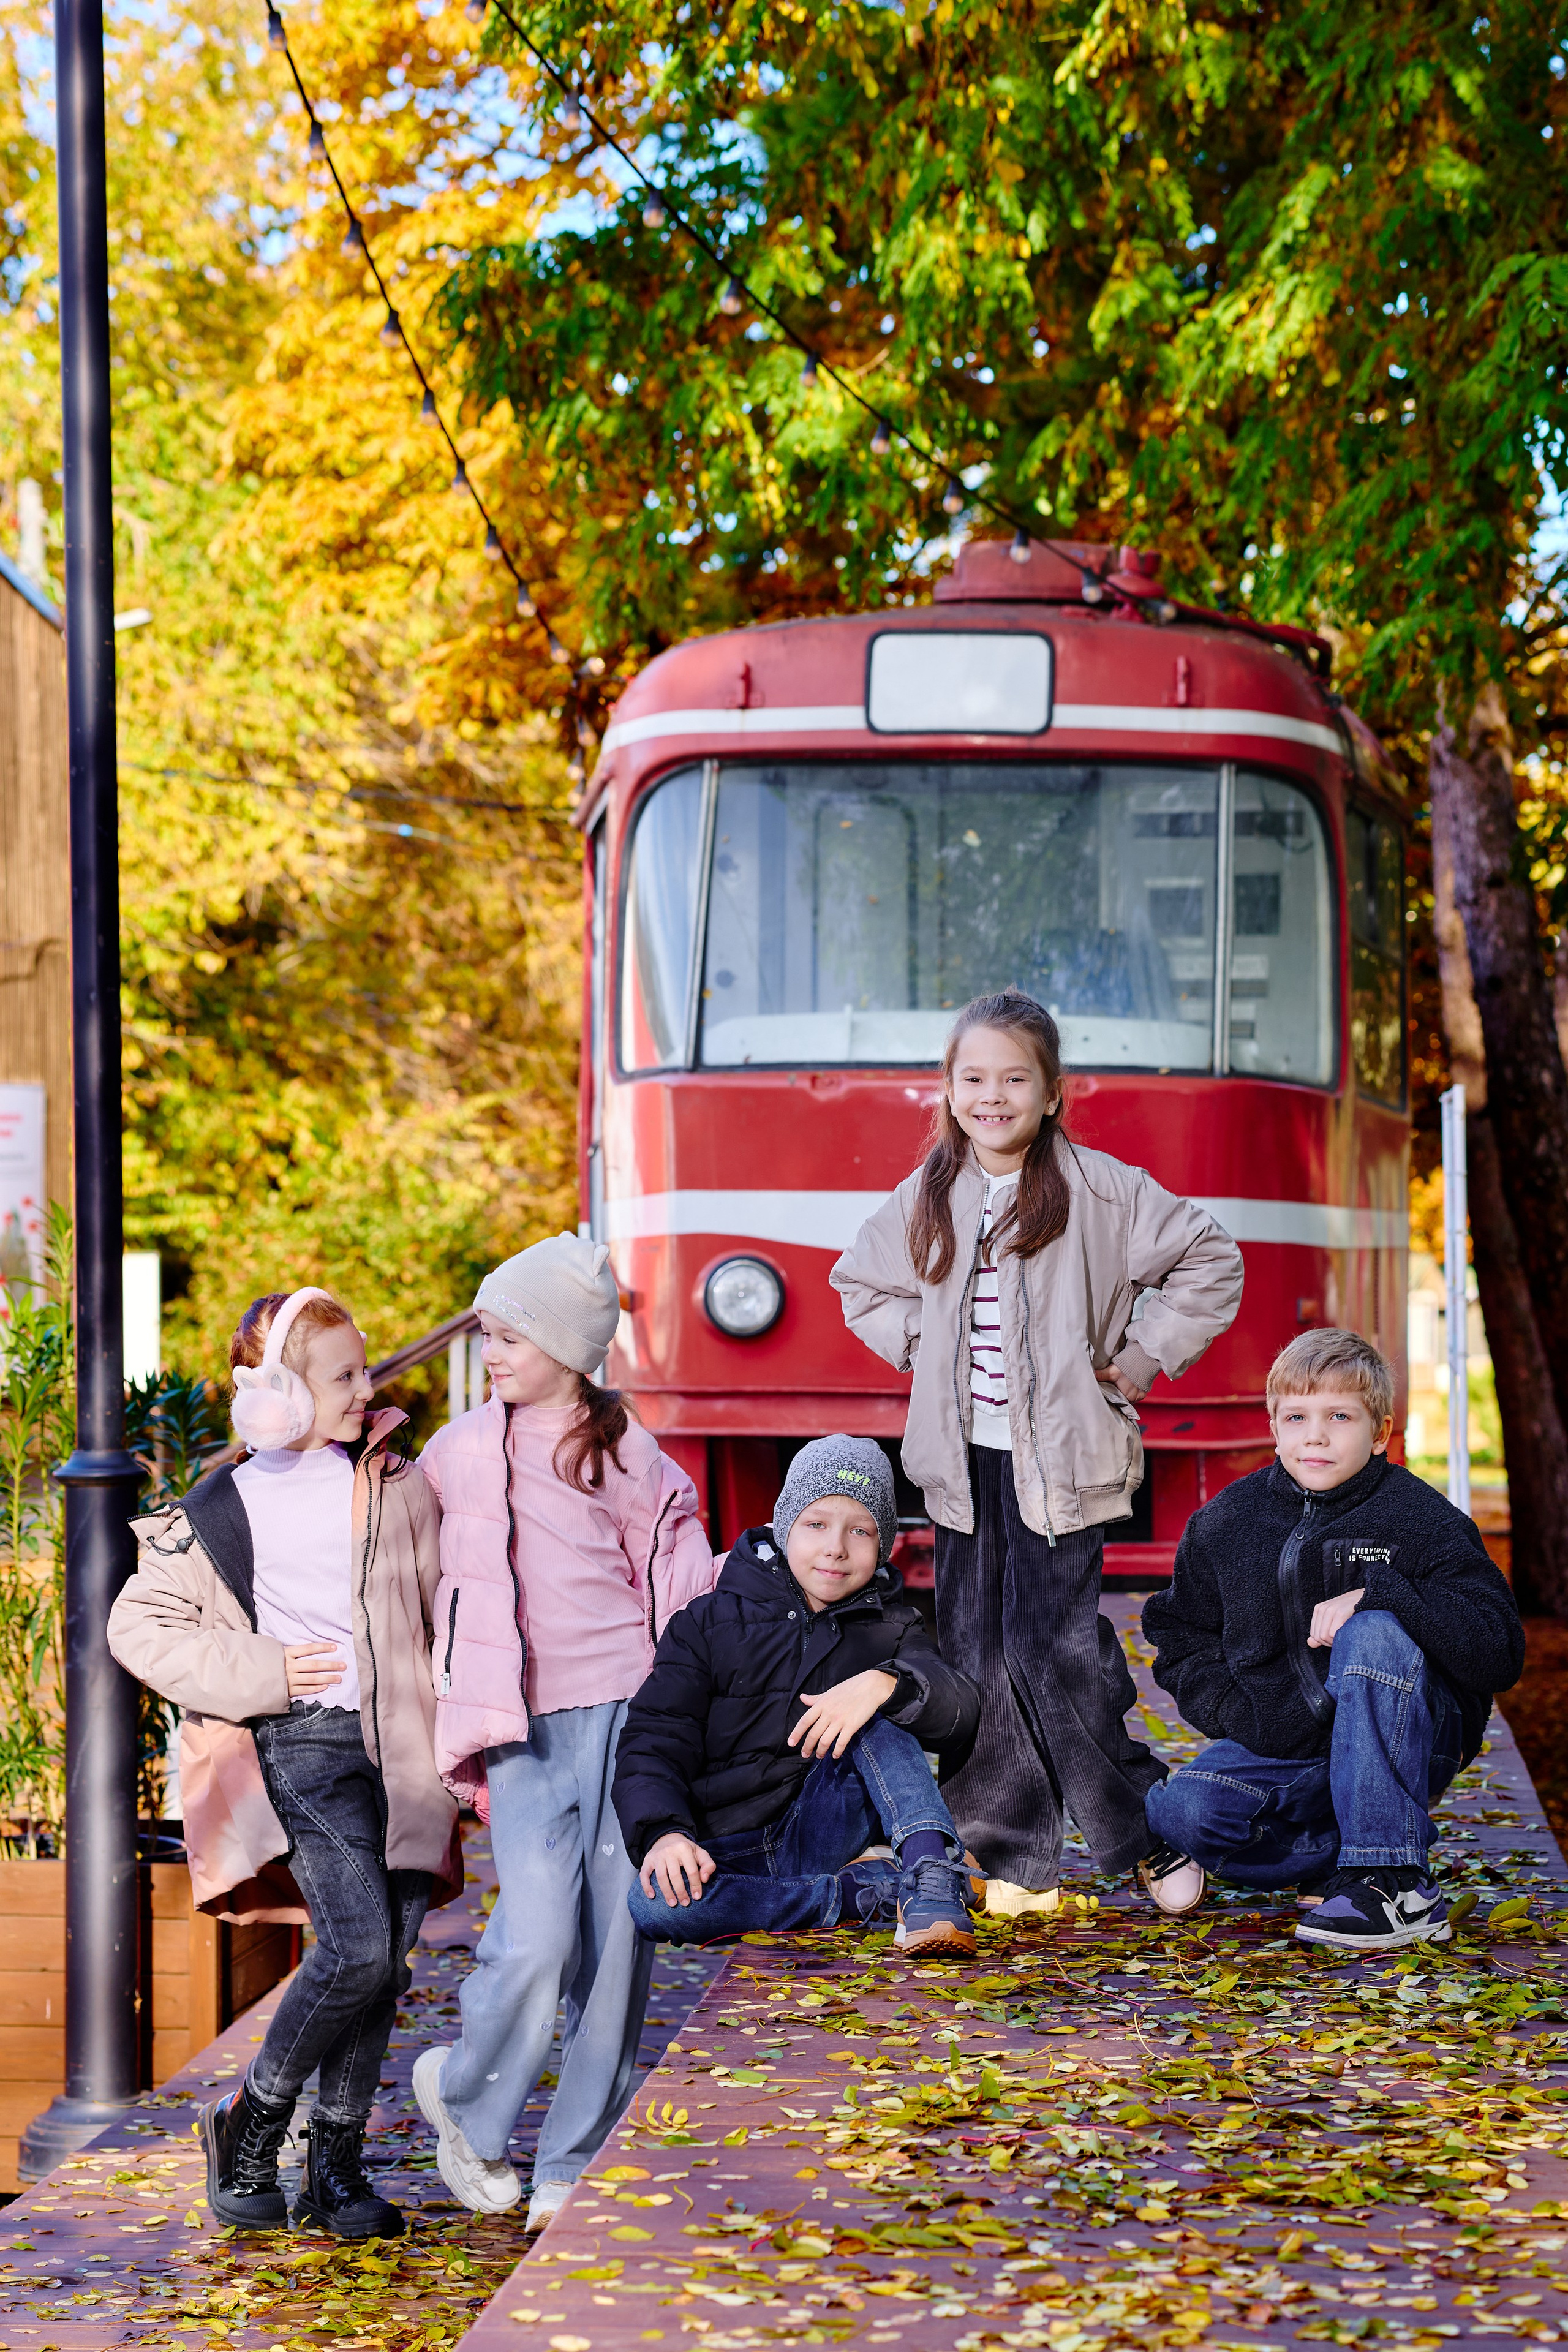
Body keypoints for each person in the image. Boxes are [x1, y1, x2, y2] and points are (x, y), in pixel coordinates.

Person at [831, 989, 1244, 1920]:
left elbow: (1212, 1257)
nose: (993, 1095)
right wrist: (925, 1347)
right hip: (962, 1464)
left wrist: (1139, 1358)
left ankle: (1142, 1834)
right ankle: (1001, 1854)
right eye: (973, 1078)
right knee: (976, 1656)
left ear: (1053, 1092)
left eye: (1015, 1078)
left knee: (1055, 1653)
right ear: (947, 1089)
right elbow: (858, 1283)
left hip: (1062, 1463)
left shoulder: (1103, 1190)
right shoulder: (930, 1194)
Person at [107, 1286, 461, 2241]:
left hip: (406, 1747)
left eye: (365, 1369)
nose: (367, 1388)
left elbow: (443, 1617)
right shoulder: (216, 1508)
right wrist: (262, 1671)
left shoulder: (396, 1483)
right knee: (359, 1949)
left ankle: (335, 2170)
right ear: (281, 1396)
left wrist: (464, 1737)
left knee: (385, 1968)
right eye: (344, 1375)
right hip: (300, 1741)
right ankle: (252, 2120)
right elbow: (136, 1627)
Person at [409, 1234, 718, 2234]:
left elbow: (676, 1575)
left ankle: (572, 2158)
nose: (490, 1352)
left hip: (632, 1719)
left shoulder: (625, 1449)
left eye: (507, 1336)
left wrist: (700, 1703)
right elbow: (397, 1568)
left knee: (618, 1947)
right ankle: (465, 2100)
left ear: (565, 1345)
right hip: (525, 1729)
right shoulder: (454, 1453)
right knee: (536, 1939)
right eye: (487, 1335)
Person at [1142, 1327, 1525, 1948]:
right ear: (1274, 1425)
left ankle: (1393, 1878)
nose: (1314, 1435)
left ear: (1380, 1433)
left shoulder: (1423, 1520)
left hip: (1408, 1734)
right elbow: (1180, 1635)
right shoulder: (1224, 1523)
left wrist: (1384, 1591)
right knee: (1182, 1813)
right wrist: (1242, 1716)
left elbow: (1499, 1649)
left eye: (1339, 1416)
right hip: (1286, 1749)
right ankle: (1346, 1853)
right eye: (1296, 1416)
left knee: (1373, 1631)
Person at [614, 1435, 984, 1959]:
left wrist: (883, 1683)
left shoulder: (892, 1628)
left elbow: (961, 1709)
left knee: (883, 1709)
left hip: (825, 1823)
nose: (836, 1547)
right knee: (654, 1906)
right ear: (783, 1525)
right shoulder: (708, 1622)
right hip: (731, 1847)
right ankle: (866, 1895)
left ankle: (932, 1874)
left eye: (860, 1531)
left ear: (884, 1546)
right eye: (817, 1525)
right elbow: (653, 1740)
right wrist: (664, 1834)